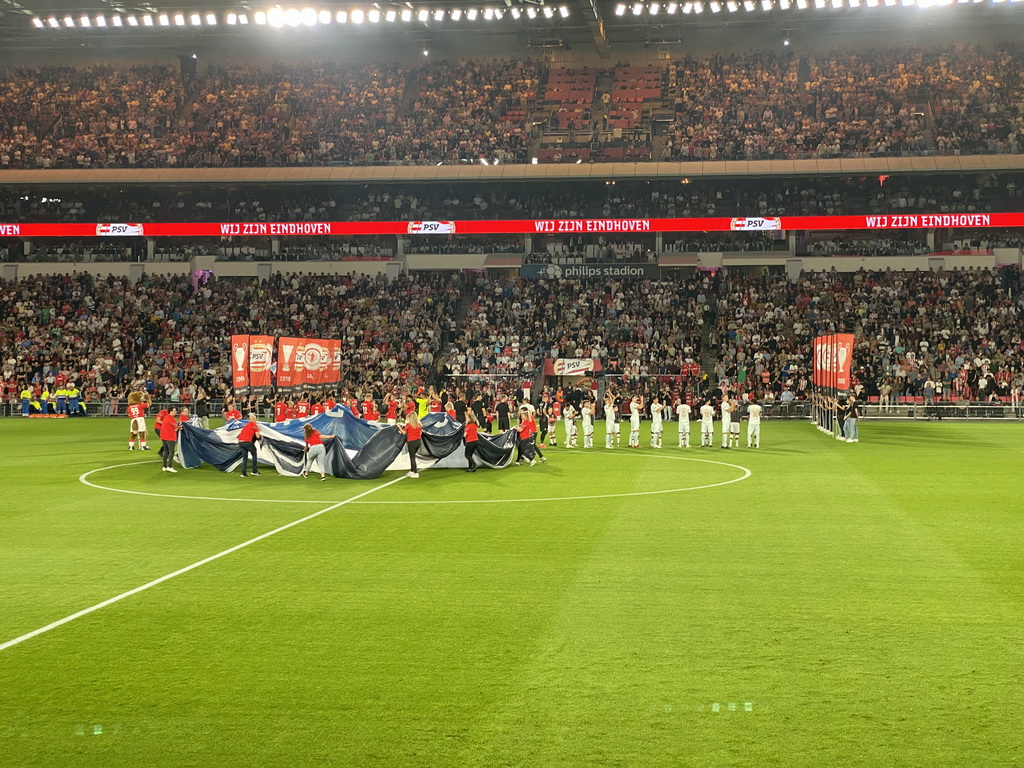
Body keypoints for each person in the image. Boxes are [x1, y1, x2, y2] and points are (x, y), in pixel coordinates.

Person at [398, 411, 422, 478]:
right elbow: (420, 433)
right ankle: (412, 471)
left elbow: (404, 432)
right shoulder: (419, 425)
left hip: (411, 442)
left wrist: (399, 427)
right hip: (418, 442)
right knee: (413, 456)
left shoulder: (408, 425)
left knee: (412, 458)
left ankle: (415, 472)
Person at [158, 406, 180, 473]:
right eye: (174, 411)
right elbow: (175, 429)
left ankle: (164, 466)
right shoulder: (172, 419)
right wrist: (179, 426)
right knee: (171, 452)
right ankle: (169, 466)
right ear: (171, 411)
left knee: (166, 451)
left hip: (163, 437)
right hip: (170, 437)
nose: (175, 412)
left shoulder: (165, 417)